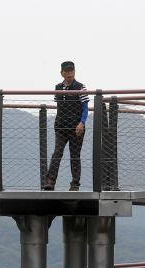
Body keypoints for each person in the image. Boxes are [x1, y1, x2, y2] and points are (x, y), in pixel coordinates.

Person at [44, 61, 89, 191]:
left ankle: (75, 184)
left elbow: (85, 107)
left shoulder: (81, 87)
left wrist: (82, 122)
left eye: (72, 71)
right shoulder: (58, 87)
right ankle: (50, 181)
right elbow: (59, 106)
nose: (70, 74)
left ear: (75, 71)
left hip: (76, 127)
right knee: (57, 153)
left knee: (75, 155)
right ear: (62, 73)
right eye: (67, 71)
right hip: (61, 126)